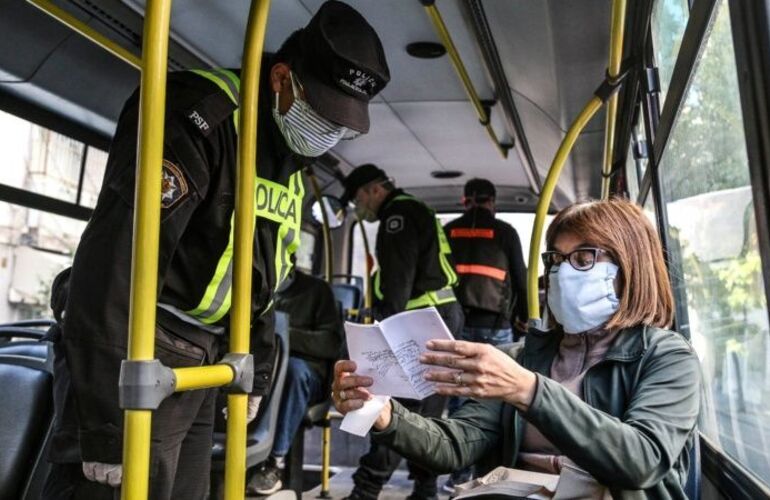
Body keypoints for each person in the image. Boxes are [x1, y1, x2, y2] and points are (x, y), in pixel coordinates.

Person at [41, 2, 390, 499]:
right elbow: (115, 258)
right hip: (139, 346)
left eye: (341, 123)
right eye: (322, 112)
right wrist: (104, 421)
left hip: (204, 358)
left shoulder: (287, 159)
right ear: (281, 77)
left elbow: (263, 274)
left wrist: (259, 366)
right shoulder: (198, 115)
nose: (329, 131)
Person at [333, 198, 701, 499]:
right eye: (556, 259)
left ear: (630, 264)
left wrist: (527, 390)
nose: (562, 272)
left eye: (584, 258)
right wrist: (384, 414)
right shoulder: (522, 357)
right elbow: (456, 445)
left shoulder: (667, 358)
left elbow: (642, 460)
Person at [340, 163, 464, 500]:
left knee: (395, 409)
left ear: (373, 190)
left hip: (417, 321)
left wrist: (380, 330)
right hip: (439, 317)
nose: (358, 207)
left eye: (357, 199)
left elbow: (397, 281)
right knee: (430, 410)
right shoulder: (416, 208)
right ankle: (425, 490)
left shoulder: (398, 217)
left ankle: (365, 491)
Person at [441, 178, 529, 491]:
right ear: (492, 202)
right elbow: (520, 278)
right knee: (496, 397)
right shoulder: (505, 233)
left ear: (465, 201)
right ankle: (490, 473)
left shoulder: (449, 230)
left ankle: (459, 474)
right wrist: (524, 318)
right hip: (496, 328)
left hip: (457, 326)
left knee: (460, 397)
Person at [247, 264, 342, 495]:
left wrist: (281, 335)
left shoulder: (317, 291)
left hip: (306, 374)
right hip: (260, 366)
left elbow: (331, 343)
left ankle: (273, 462)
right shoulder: (252, 287)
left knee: (291, 370)